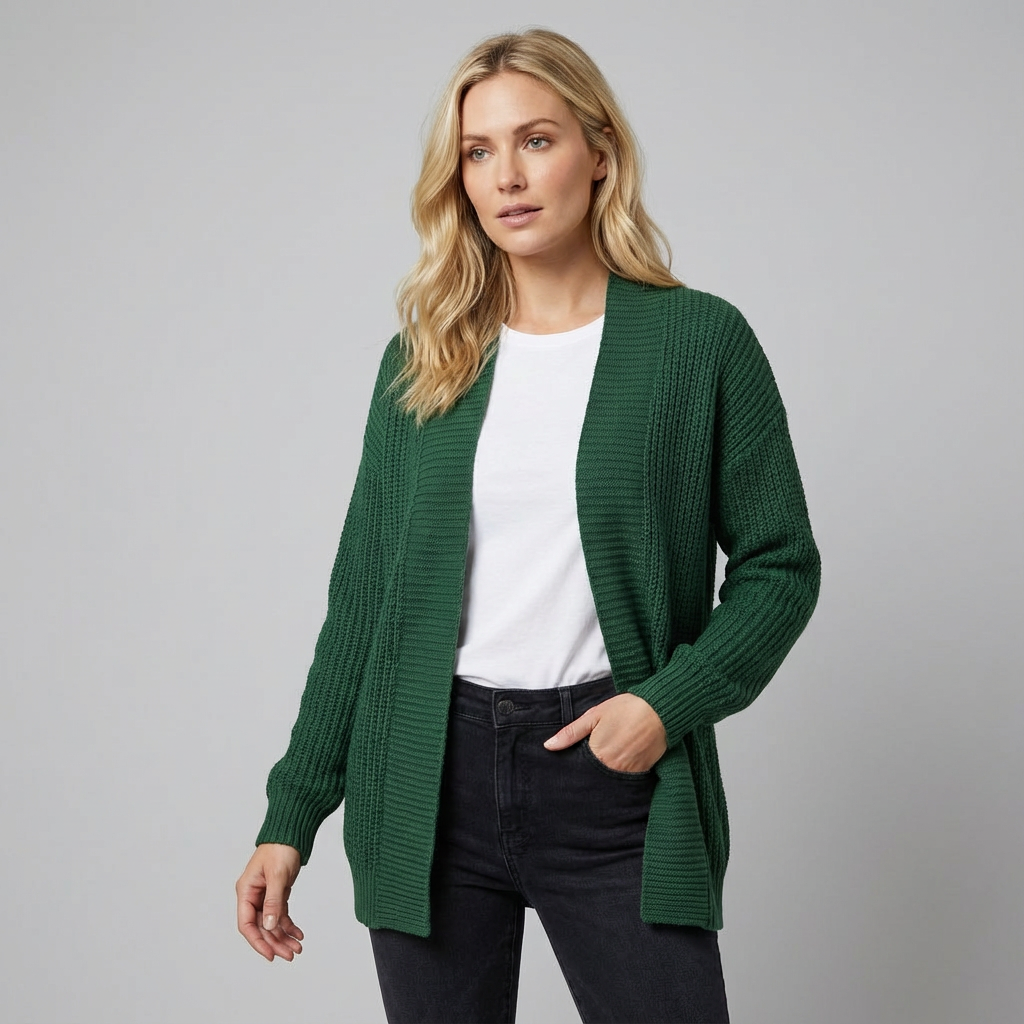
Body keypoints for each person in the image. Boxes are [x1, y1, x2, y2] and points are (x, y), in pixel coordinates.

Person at [235, 27, 820, 1024]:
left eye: (536, 140)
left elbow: (780, 565)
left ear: (599, 152)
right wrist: (291, 813)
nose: (506, 175)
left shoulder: (698, 343)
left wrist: (664, 705)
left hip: (611, 771)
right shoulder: (426, 360)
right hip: (429, 778)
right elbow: (363, 603)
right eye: (478, 151)